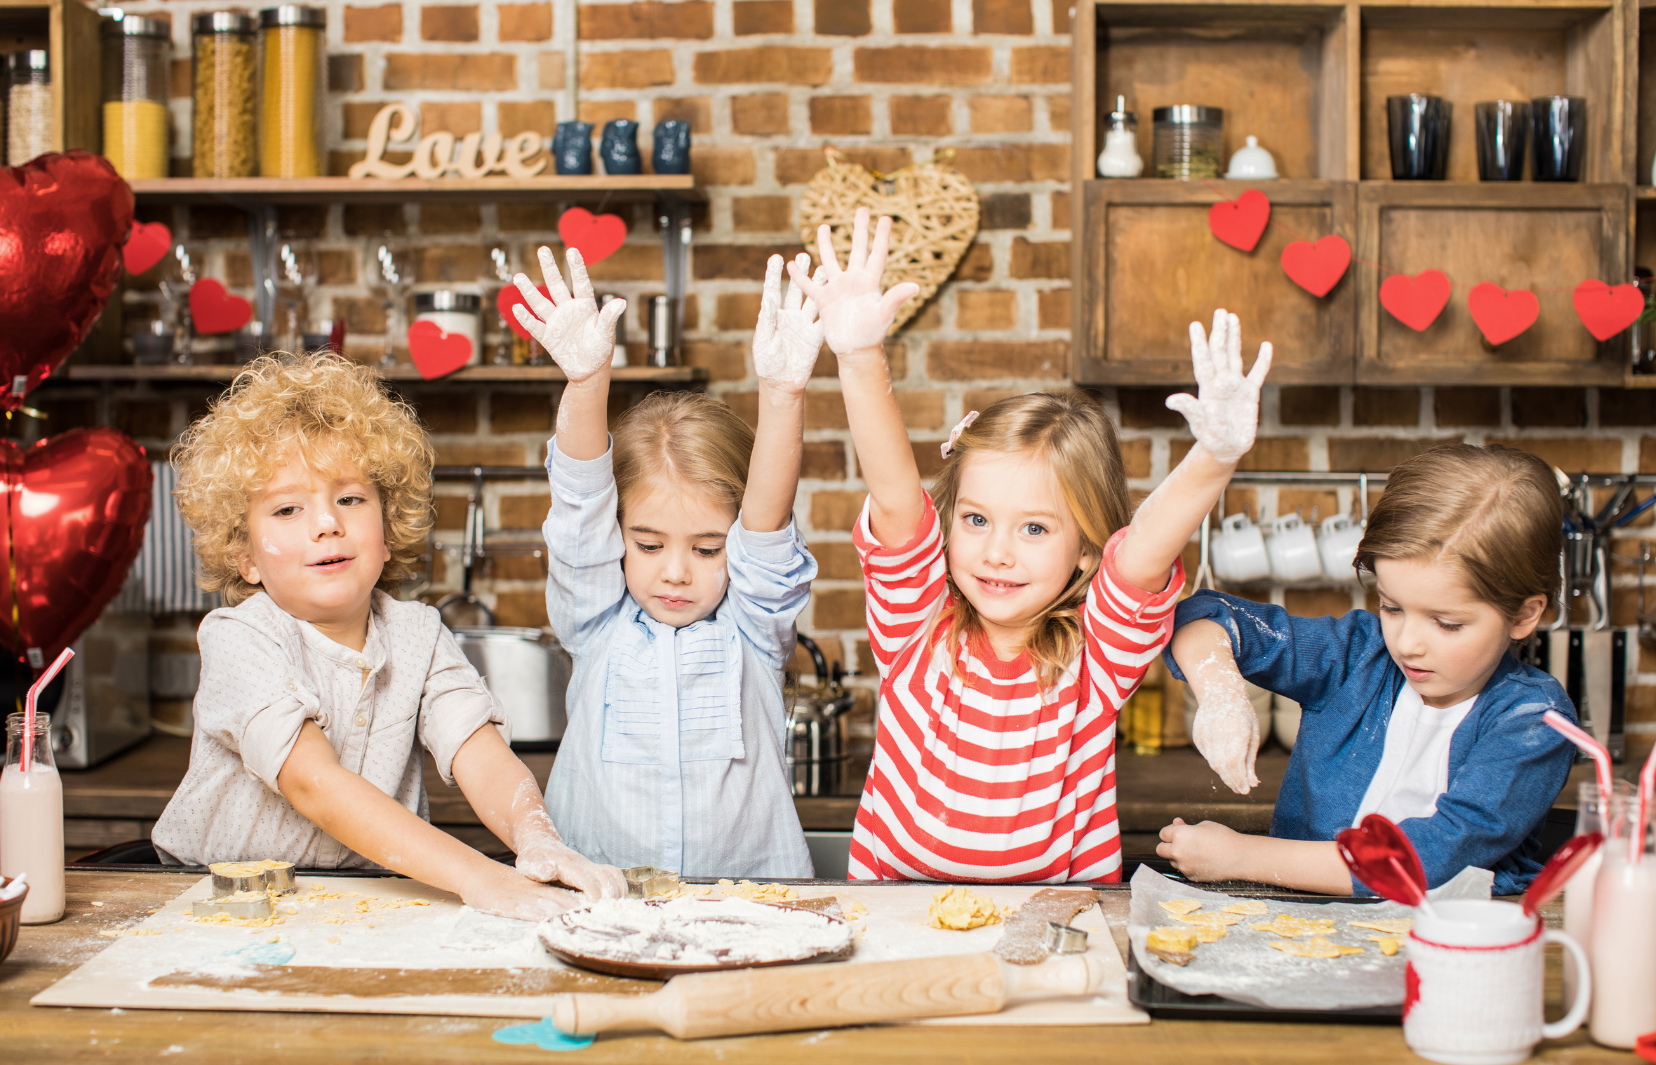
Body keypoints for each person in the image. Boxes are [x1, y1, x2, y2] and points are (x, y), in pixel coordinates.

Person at [795, 207, 1272, 882]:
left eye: (1036, 528)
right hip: (896, 913)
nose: (997, 552)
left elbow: (1140, 558)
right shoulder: (916, 623)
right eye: (977, 519)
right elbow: (900, 500)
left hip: (1060, 923)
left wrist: (1213, 459)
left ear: (1086, 549)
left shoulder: (1096, 655)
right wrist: (858, 355)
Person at [152, 354, 623, 919]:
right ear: (245, 555)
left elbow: (478, 752)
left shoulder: (418, 633)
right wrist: (480, 877)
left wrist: (535, 838)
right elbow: (315, 784)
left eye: (350, 499)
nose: (327, 522)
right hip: (217, 905)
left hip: (365, 903)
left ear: (388, 529)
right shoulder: (239, 638)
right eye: (287, 508)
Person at [512, 246, 818, 878]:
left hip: (750, 905)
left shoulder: (755, 629)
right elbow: (579, 503)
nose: (675, 571)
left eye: (707, 549)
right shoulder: (594, 620)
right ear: (617, 536)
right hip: (596, 899)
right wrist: (586, 382)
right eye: (647, 545)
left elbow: (766, 524)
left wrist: (783, 394)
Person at [1159, 443, 1578, 896]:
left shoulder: (1534, 720)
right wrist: (1221, 695)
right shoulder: (1357, 656)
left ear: (1523, 615)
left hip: (1446, 946)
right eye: (1392, 607)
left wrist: (1240, 857)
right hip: (1299, 930)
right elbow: (1202, 617)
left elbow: (1428, 859)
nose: (1406, 642)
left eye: (1447, 623)